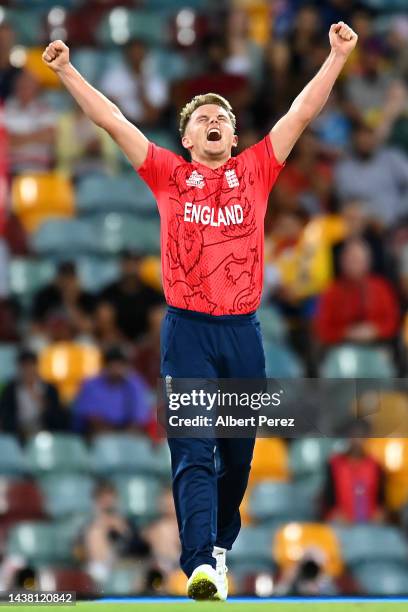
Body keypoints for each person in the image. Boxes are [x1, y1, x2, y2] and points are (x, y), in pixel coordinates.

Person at [43, 21, 358, 601]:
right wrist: (65, 70)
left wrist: (337, 56)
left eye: (224, 118)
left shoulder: (257, 171)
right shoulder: (169, 175)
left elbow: (302, 112)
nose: (214, 121)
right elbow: (112, 120)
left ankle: (217, 543)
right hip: (187, 331)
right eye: (202, 118)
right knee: (192, 448)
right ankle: (199, 567)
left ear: (234, 138)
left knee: (238, 457)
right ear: (186, 138)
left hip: (243, 334)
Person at [315, 238, 399, 346]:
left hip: (377, 345)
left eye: (358, 260)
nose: (354, 264)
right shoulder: (331, 291)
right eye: (350, 260)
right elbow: (323, 329)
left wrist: (375, 331)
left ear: (368, 262)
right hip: (341, 347)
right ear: (342, 262)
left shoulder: (381, 287)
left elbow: (392, 321)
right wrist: (345, 333)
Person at [81, 481, 150, 586]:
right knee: (95, 533)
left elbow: (142, 550)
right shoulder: (89, 526)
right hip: (98, 569)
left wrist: (124, 531)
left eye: (110, 498)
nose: (107, 502)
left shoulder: (126, 523)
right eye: (102, 499)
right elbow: (78, 552)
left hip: (125, 568)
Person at [72, 346, 152, 435]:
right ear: (105, 367)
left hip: (127, 433)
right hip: (97, 433)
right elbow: (89, 417)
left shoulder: (134, 384)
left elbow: (141, 417)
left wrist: (128, 432)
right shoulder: (91, 384)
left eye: (120, 365)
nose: (116, 370)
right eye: (112, 365)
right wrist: (110, 432)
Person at [322, 422, 386, 523]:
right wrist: (334, 513)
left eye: (362, 436)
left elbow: (381, 499)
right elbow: (328, 498)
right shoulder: (334, 464)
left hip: (370, 522)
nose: (357, 441)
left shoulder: (375, 465)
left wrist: (379, 513)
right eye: (354, 436)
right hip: (342, 522)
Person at [0, 349, 66, 441]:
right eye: (24, 366)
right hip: (18, 433)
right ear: (19, 368)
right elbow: (6, 415)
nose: (28, 370)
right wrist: (20, 430)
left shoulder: (50, 389)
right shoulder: (10, 390)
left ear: (37, 366)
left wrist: (39, 399)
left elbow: (58, 418)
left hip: (45, 432)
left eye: (31, 365)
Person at [98, 250, 163, 341]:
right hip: (115, 342)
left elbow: (157, 325)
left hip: (145, 343)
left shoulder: (152, 293)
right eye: (128, 262)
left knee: (159, 316)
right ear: (121, 264)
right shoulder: (109, 292)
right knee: (104, 312)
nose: (131, 267)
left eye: (135, 262)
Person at [4, 70, 56, 174]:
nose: (24, 89)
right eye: (22, 86)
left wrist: (16, 138)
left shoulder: (45, 109)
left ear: (36, 89)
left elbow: (49, 137)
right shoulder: (5, 108)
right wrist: (35, 135)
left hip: (38, 170)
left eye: (29, 86)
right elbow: (3, 140)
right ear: (16, 88)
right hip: (10, 169)